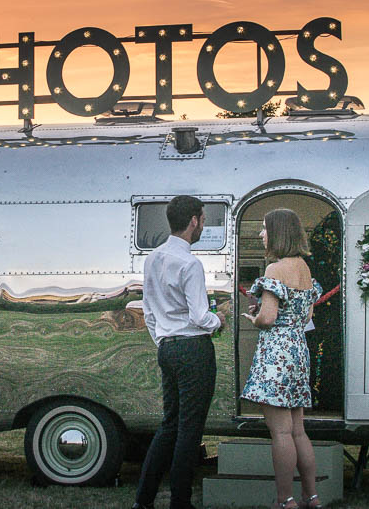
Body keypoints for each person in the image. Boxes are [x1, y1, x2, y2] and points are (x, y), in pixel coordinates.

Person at [132, 195, 224, 509]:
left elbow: (149, 312)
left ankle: (143, 500)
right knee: (189, 428)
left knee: (170, 424)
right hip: (193, 348)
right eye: (203, 218)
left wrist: (162, 341)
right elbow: (200, 316)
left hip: (167, 347)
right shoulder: (190, 263)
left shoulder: (153, 258)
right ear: (194, 221)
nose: (203, 224)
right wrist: (218, 320)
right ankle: (180, 502)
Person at [241, 208, 323, 509]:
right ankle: (311, 496)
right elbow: (306, 315)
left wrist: (255, 318)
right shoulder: (304, 268)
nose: (261, 234)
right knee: (298, 430)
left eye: (264, 229)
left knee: (280, 432)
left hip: (276, 352)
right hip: (298, 350)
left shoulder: (275, 270)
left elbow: (268, 318)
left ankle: (284, 500)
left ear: (278, 233)